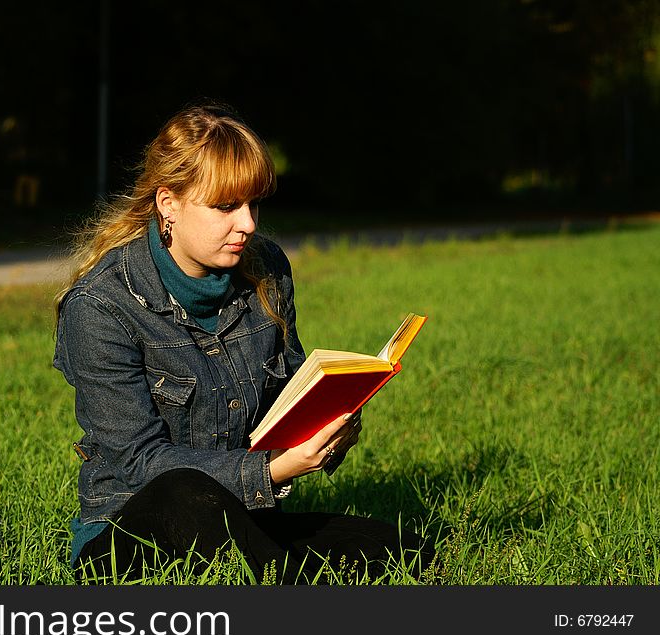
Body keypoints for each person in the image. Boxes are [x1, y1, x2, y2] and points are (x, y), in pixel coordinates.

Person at [52, 102, 434, 584]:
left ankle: (272, 569)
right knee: (183, 491)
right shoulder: (101, 306)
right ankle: (283, 580)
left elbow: (287, 395)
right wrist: (272, 472)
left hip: (244, 516)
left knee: (399, 548)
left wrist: (329, 428)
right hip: (131, 529)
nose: (249, 224)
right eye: (226, 207)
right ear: (169, 204)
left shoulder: (267, 270)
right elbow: (141, 464)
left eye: (253, 204)